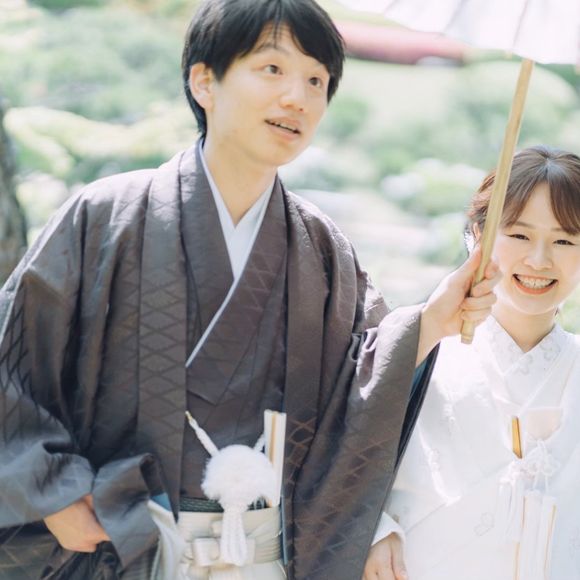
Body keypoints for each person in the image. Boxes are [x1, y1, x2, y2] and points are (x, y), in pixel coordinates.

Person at [0, 1, 499, 579]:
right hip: (121, 550)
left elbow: (359, 385)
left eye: (317, 80)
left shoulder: (320, 246)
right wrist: (52, 493)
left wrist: (430, 322)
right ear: (204, 81)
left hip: (261, 560)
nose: (298, 97)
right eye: (273, 69)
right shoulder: (107, 216)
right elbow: (12, 365)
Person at [365, 145, 580, 580]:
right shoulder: (420, 350)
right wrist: (371, 527)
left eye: (564, 240)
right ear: (478, 234)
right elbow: (334, 457)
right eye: (519, 235)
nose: (539, 260)